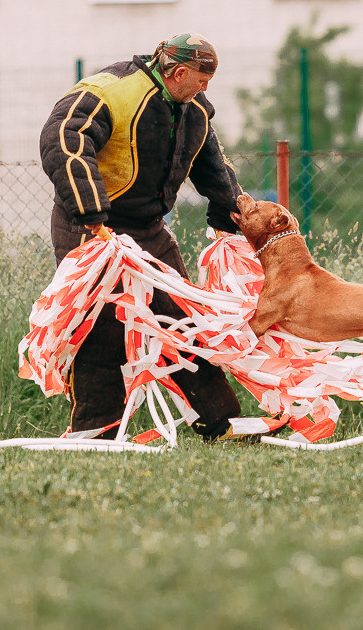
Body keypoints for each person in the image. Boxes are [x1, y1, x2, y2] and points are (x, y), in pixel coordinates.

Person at [39, 33, 246, 440]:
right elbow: (62, 140)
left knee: (185, 318)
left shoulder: (194, 110)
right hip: (91, 227)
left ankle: (219, 421)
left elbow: (212, 168)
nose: (206, 89)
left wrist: (232, 214)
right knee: (101, 329)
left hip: (149, 229)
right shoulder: (109, 91)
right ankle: (96, 433)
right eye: (202, 80)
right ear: (180, 71)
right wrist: (91, 213)